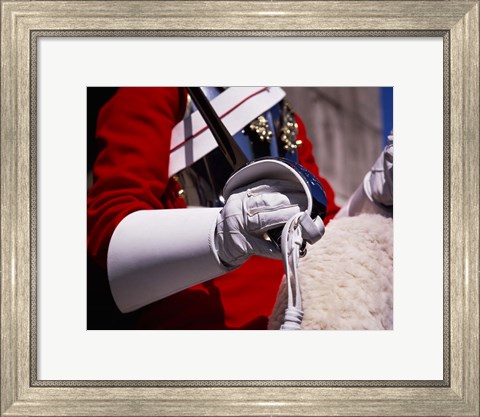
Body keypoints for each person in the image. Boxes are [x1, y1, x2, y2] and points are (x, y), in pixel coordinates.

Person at [87, 87, 391, 330]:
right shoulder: (154, 88)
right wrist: (220, 236)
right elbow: (109, 227)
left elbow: (319, 227)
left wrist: (374, 196)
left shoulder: (275, 104)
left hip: (302, 316)